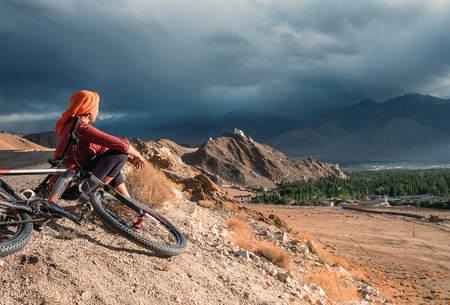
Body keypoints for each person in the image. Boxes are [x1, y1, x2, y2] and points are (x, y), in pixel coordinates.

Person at [52, 90, 145, 198]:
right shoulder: (81, 128)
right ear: (89, 110)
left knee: (115, 161)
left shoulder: (72, 125)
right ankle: (95, 193)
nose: (98, 111)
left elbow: (103, 150)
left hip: (63, 184)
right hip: (70, 187)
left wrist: (130, 159)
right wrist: (138, 155)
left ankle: (128, 200)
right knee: (120, 156)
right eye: (97, 108)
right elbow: (121, 144)